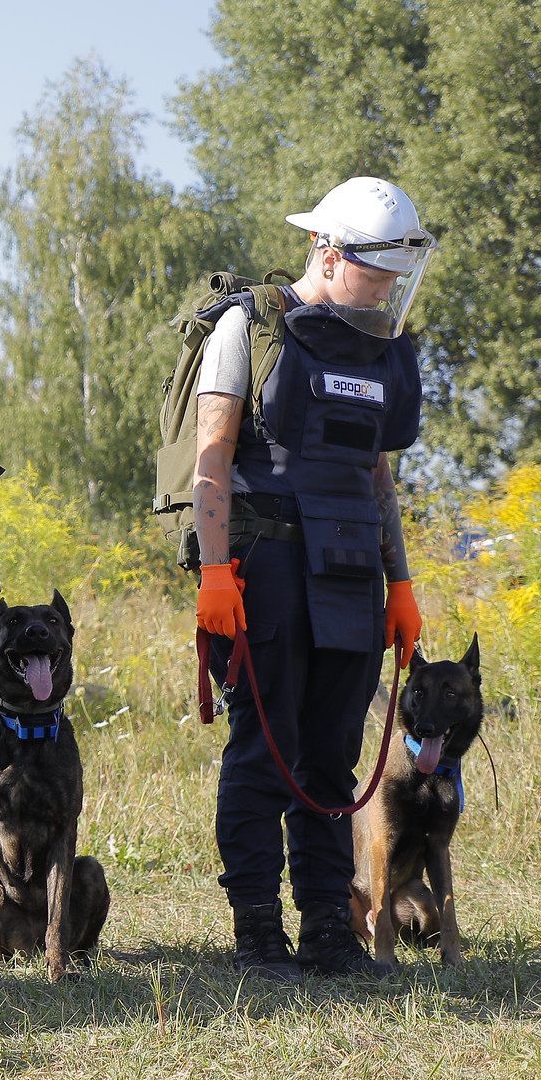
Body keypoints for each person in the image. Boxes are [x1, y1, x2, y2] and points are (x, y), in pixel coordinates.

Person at [191, 175, 432, 981]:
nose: (387, 290)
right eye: (376, 272)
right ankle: (258, 929)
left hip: (353, 570)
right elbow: (212, 457)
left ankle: (330, 924)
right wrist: (216, 569)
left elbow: (377, 475)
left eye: (398, 275)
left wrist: (401, 583)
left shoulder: (379, 350)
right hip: (267, 564)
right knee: (266, 749)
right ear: (327, 255)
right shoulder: (250, 325)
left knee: (332, 750)